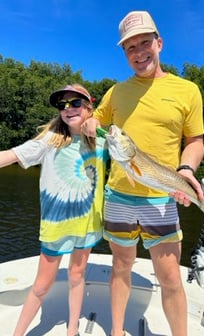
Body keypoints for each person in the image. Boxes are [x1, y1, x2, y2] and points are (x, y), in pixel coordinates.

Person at [83, 10, 204, 336]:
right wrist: (91, 123)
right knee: (121, 266)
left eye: (144, 42)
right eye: (130, 48)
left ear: (159, 43)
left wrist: (186, 169)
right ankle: (118, 331)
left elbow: (195, 142)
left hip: (162, 194)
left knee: (170, 277)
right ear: (124, 53)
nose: (139, 53)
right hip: (119, 194)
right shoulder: (116, 92)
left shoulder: (188, 90)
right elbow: (95, 121)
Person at [0, 84, 109, 336]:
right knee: (41, 286)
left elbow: (135, 160)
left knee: (77, 275)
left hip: (88, 223)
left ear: (89, 107)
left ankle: (72, 329)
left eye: (75, 103)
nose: (68, 109)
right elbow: (12, 155)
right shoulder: (51, 140)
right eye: (63, 105)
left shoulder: (102, 140)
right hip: (55, 225)